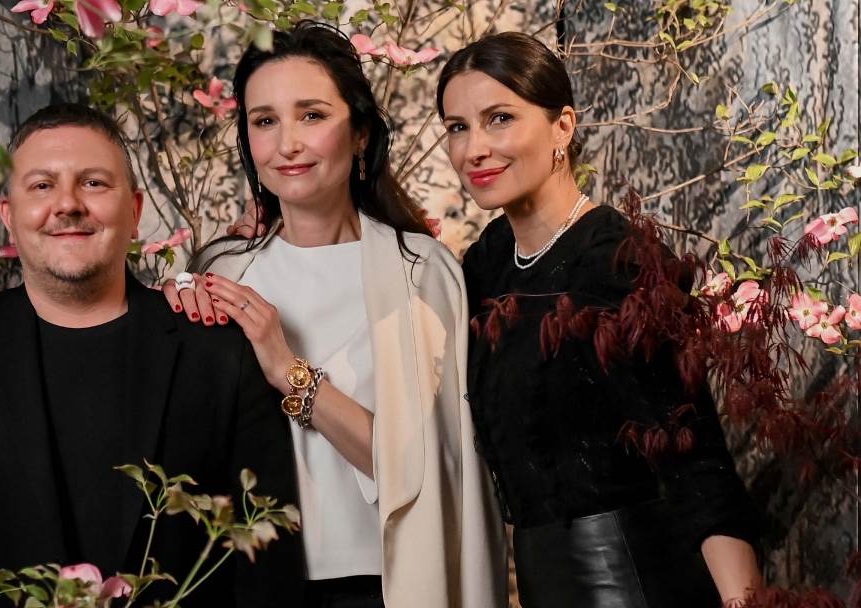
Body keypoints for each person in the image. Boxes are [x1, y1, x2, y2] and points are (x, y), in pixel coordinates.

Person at [0, 103, 305, 607]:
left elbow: (268, 569)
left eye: (93, 183)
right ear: (9, 216)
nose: (67, 204)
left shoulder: (220, 353)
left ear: (134, 212)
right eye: (42, 185)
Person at [163, 21, 505, 608]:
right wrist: (165, 309)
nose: (287, 144)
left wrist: (288, 369)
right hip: (247, 585)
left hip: (381, 585)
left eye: (312, 115)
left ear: (360, 134)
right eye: (264, 121)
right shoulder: (222, 270)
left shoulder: (420, 271)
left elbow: (427, 474)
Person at [438, 32, 762, 607]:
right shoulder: (488, 264)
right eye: (457, 127)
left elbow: (697, 460)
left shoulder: (620, 260)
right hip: (541, 583)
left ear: (562, 126)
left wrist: (745, 602)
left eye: (499, 119)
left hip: (634, 584)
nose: (474, 149)